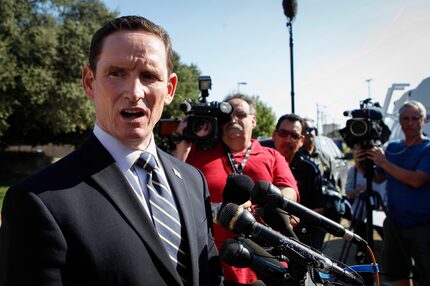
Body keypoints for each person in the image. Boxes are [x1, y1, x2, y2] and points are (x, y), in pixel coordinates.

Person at [0, 16, 223, 286]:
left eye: (149, 76)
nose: (134, 91)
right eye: (117, 73)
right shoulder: (38, 200)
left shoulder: (193, 181)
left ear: (170, 89)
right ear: (89, 82)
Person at [174, 93, 299, 285]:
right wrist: (183, 136)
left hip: (265, 258)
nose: (233, 119)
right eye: (227, 116)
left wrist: (263, 205)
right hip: (210, 259)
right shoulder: (198, 153)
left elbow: (288, 191)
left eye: (240, 114)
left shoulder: (271, 155)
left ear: (254, 120)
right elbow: (171, 177)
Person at [365, 100, 430, 286]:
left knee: (425, 275)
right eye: (405, 118)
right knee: (398, 274)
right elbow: (378, 178)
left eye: (414, 118)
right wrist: (362, 160)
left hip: (423, 226)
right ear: (400, 121)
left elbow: (417, 180)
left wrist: (384, 162)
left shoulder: (427, 148)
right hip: (395, 224)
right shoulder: (392, 147)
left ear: (423, 120)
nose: (409, 123)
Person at [272, 114, 325, 250]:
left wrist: (296, 218)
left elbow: (319, 208)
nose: (288, 139)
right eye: (283, 133)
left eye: (294, 136)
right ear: (274, 135)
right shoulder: (260, 164)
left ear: (301, 140)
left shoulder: (310, 169)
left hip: (299, 240)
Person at [345, 148, 386, 263]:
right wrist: (361, 189)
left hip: (379, 212)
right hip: (360, 213)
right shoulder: (353, 171)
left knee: (388, 240)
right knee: (362, 242)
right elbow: (349, 194)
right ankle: (363, 261)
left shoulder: (381, 170)